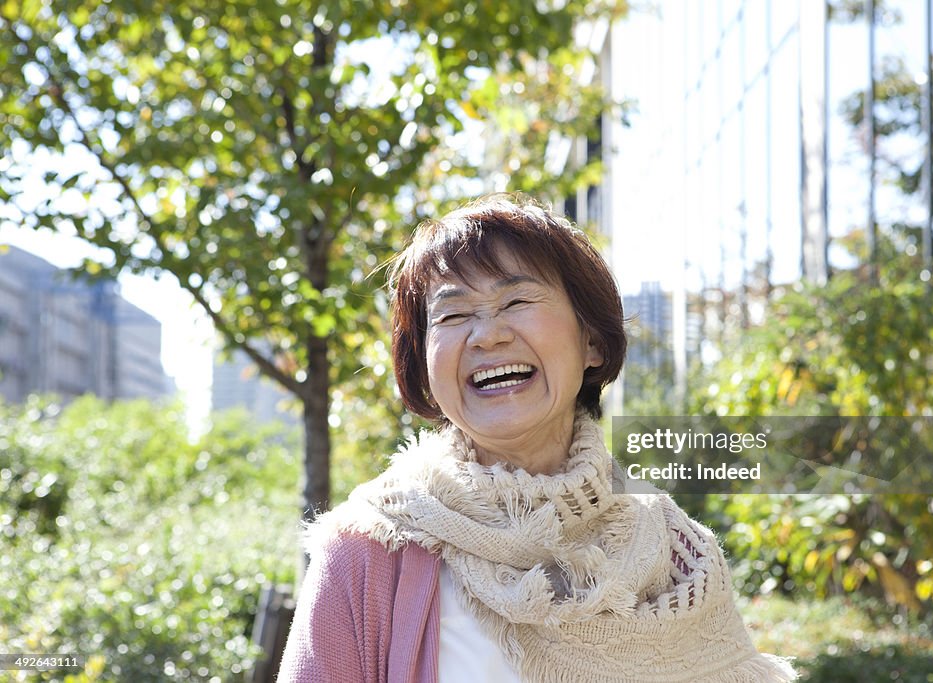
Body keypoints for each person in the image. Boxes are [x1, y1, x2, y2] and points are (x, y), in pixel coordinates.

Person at [277, 194, 797, 682]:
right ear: (424, 368)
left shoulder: (679, 551)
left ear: (591, 340)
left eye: (517, 301)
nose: (487, 335)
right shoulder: (370, 548)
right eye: (453, 315)